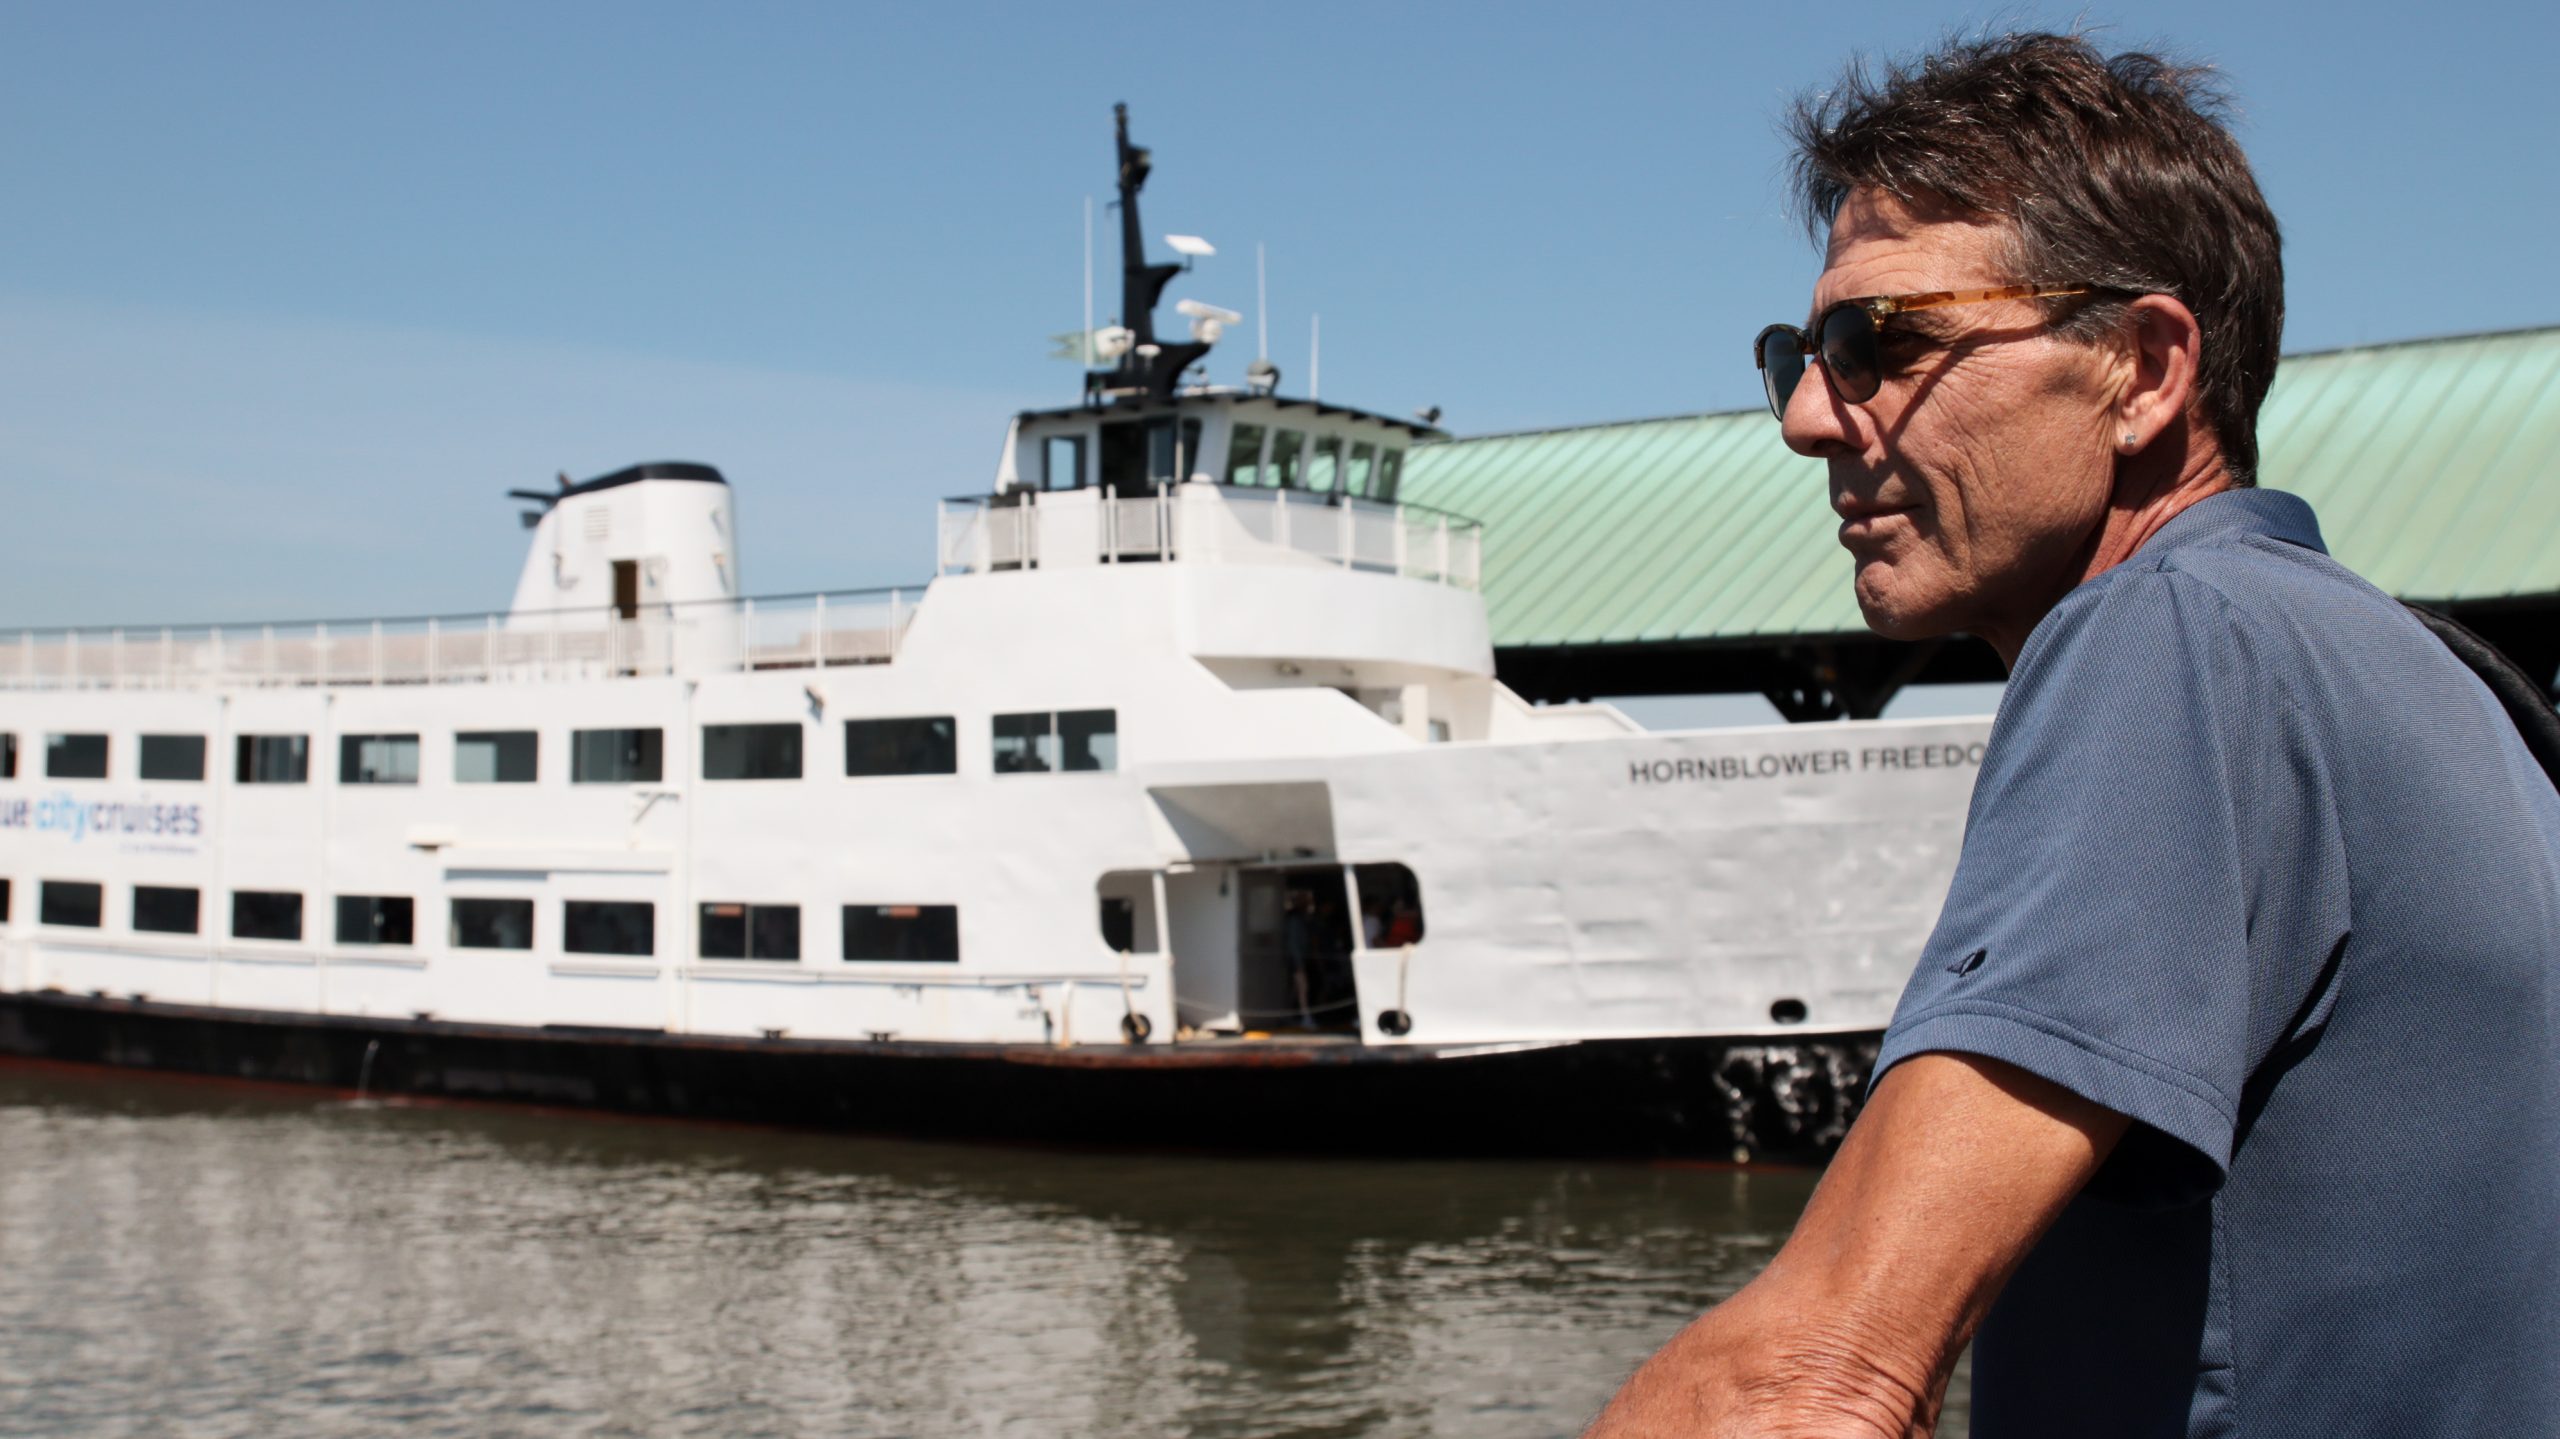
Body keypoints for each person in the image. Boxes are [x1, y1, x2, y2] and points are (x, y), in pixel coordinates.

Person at [1587, 32, 2560, 1439]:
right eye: (1799, 353)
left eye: (1881, 343)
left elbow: (1813, 1384)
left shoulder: (2167, 638)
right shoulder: (2446, 685)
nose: (1809, 416)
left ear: (2144, 369)